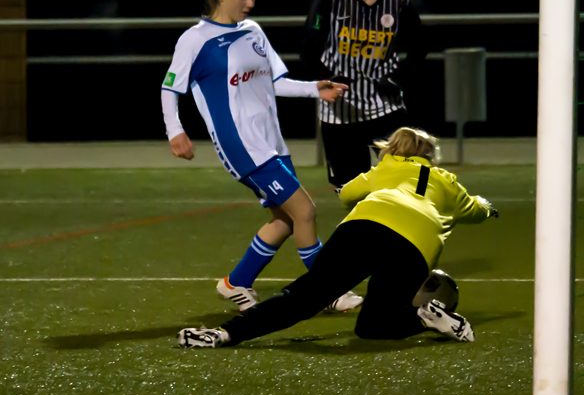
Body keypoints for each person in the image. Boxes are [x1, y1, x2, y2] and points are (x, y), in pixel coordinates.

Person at [176, 127, 499, 348]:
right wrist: (489, 207)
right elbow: (476, 210)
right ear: (431, 156)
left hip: (364, 226)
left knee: (302, 297)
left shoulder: (384, 169)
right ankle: (426, 316)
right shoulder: (447, 182)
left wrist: (351, 187)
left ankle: (224, 335)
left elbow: (348, 195)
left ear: (393, 150)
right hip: (414, 245)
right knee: (375, 326)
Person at [161, 0, 362, 313]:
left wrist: (316, 89)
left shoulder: (253, 30)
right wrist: (175, 130)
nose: (251, 3)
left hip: (271, 142)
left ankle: (235, 283)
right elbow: (169, 89)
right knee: (305, 211)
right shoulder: (195, 40)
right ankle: (327, 290)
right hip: (242, 145)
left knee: (285, 221)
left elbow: (276, 82)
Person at [301, 0, 428, 191]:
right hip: (339, 112)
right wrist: (327, 78)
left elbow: (419, 48)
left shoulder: (399, 1)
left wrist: (397, 78)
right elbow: (308, 47)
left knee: (412, 183)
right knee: (350, 193)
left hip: (385, 106)